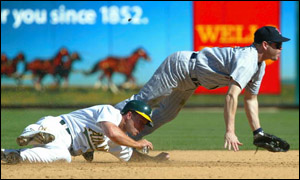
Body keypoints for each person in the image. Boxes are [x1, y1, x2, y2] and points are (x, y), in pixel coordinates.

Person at [115, 26, 290, 152]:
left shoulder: (260, 66)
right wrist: (230, 131)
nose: (281, 49)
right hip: (180, 67)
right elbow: (231, 96)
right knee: (144, 101)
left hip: (191, 81)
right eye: (278, 45)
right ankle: (101, 122)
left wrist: (257, 132)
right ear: (265, 45)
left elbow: (251, 99)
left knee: (166, 114)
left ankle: (126, 142)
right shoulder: (248, 60)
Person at [1, 100, 170, 164]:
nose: (142, 126)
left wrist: (155, 161)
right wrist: (138, 143)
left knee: (64, 157)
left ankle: (13, 155)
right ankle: (31, 134)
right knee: (45, 132)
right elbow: (111, 132)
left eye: (146, 124)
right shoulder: (110, 112)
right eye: (141, 121)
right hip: (58, 126)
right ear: (129, 114)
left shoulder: (120, 142)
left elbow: (133, 157)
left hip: (65, 145)